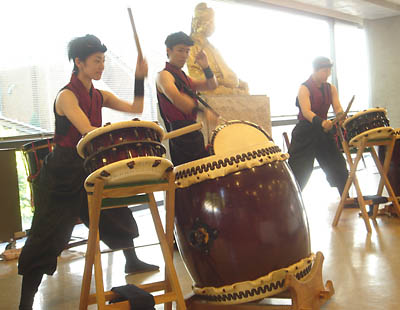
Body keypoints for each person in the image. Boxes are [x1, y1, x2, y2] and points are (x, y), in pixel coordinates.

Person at [18, 34, 158, 310]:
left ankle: (131, 260)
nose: (101, 66)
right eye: (97, 61)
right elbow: (87, 133)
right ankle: (26, 302)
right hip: (62, 171)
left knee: (116, 210)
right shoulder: (66, 96)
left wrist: (140, 78)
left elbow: (136, 108)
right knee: (48, 233)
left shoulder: (99, 95)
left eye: (103, 60)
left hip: (88, 166)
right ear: (79, 62)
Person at [288, 56, 349, 197]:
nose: (327, 74)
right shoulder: (304, 88)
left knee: (337, 163)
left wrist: (340, 115)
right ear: (315, 70)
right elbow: (306, 112)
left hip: (323, 131)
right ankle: (292, 201)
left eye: (329, 71)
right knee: (299, 169)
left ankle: (346, 197)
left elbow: (337, 106)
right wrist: (321, 122)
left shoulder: (331, 88)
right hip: (305, 132)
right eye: (324, 71)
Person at [156, 31, 218, 166]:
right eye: (180, 50)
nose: (184, 55)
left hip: (193, 131)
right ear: (169, 51)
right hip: (179, 135)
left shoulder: (184, 77)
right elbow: (177, 99)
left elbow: (212, 84)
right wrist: (203, 112)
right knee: (189, 179)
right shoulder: (164, 76)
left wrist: (206, 66)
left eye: (187, 51)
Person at [187, 2, 248, 95]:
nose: (212, 26)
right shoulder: (191, 47)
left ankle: (236, 92)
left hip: (224, 84)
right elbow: (195, 77)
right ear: (198, 23)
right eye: (210, 22)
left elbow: (229, 76)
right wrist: (219, 80)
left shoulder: (211, 48)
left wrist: (236, 81)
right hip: (210, 86)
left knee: (244, 86)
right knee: (213, 92)